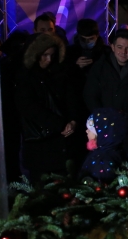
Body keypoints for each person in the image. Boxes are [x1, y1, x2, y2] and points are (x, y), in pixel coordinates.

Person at [15, 33, 82, 182]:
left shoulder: (61, 73)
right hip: (40, 144)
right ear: (35, 54)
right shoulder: (25, 78)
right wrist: (60, 124)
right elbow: (29, 107)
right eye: (44, 55)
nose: (49, 59)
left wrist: (73, 121)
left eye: (52, 55)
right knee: (42, 192)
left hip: (64, 142)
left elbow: (72, 100)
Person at [83, 29, 128, 129]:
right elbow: (90, 95)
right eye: (120, 47)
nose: (123, 52)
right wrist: (103, 117)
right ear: (112, 47)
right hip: (102, 126)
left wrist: (127, 120)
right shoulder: (100, 67)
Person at [79, 108, 128, 182]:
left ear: (100, 134)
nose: (86, 131)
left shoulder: (102, 161)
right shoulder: (105, 151)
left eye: (90, 129)